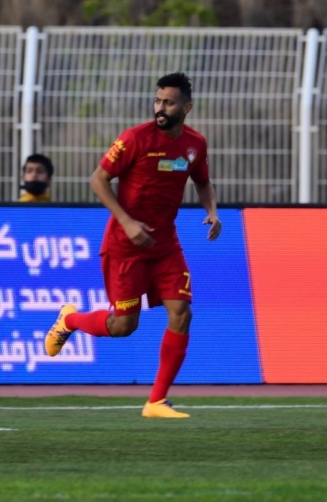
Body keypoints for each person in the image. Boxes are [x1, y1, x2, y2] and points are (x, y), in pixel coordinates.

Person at [44, 72, 221, 418]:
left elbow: (202, 181)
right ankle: (71, 320)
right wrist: (126, 221)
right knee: (124, 326)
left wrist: (212, 212)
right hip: (125, 247)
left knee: (182, 313)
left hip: (165, 245)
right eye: (157, 100)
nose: (160, 107)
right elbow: (97, 179)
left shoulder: (194, 144)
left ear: (186, 108)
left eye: (168, 102)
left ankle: (156, 401)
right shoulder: (135, 139)